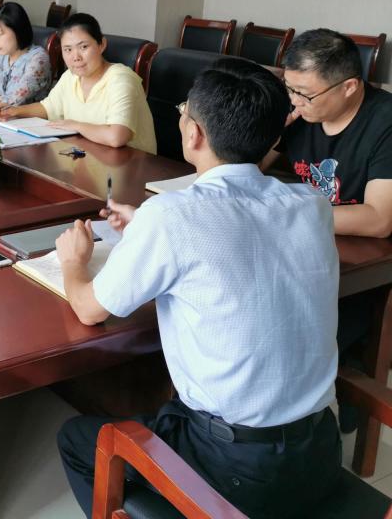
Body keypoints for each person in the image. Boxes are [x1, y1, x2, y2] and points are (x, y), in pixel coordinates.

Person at [55, 57, 340, 519]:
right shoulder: (311, 205)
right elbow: (244, 240)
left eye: (184, 112)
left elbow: (89, 309)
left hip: (236, 470)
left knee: (76, 439)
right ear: (273, 138)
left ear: (194, 135)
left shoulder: (173, 216)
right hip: (320, 453)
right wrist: (148, 226)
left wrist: (73, 263)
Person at [274, 28, 392, 239]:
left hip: (364, 247)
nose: (294, 100)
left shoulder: (385, 122)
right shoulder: (295, 107)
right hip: (311, 232)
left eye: (305, 94)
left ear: (349, 87)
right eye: (289, 88)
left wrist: (286, 217)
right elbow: (244, 169)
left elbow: (378, 220)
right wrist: (268, 135)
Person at [0, 12, 156, 152]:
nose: (76, 57)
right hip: (89, 156)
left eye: (83, 47)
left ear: (102, 45)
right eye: (68, 49)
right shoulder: (71, 77)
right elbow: (48, 108)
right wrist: (15, 111)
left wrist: (76, 125)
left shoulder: (121, 79)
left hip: (131, 165)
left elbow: (117, 137)